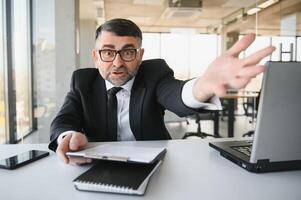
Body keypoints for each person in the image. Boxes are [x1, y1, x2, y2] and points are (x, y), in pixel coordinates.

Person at [48, 18, 275, 165]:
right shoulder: (82, 80)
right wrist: (68, 136)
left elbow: (176, 94)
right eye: (108, 53)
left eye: (128, 53)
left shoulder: (154, 73)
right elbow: (63, 120)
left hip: (153, 165)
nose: (117, 63)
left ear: (140, 55)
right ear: (96, 56)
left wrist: (203, 85)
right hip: (95, 164)